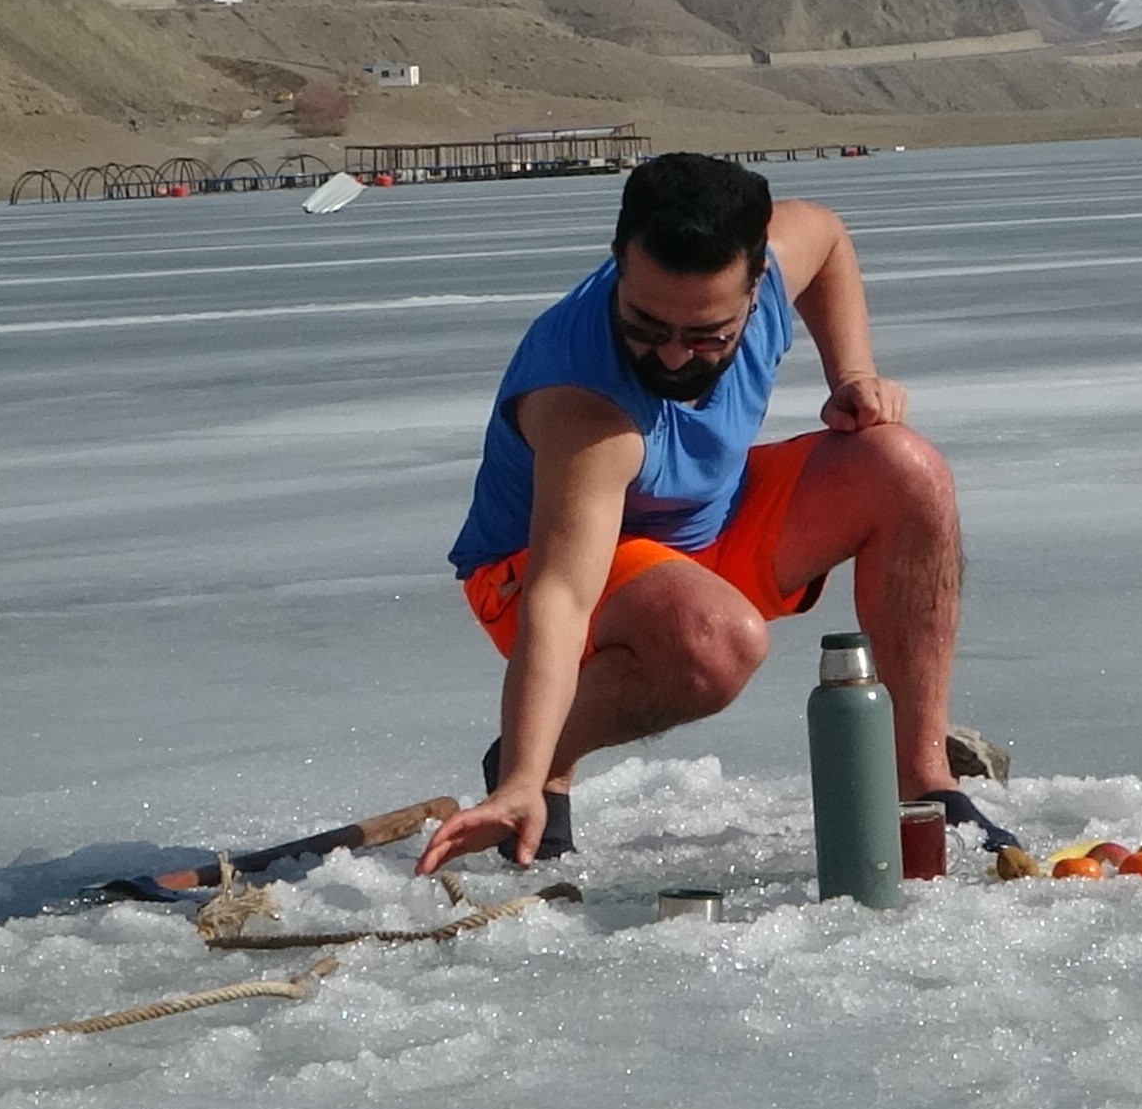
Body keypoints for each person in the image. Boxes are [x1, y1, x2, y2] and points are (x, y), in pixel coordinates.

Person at [416, 152, 1004, 873]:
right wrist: (520, 779)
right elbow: (561, 597)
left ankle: (923, 778)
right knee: (716, 642)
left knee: (906, 469)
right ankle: (539, 758)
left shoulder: (773, 262)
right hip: (539, 567)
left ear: (757, 284)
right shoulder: (586, 409)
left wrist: (852, 376)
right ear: (619, 264)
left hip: (707, 524)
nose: (669, 356)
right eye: (646, 324)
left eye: (706, 336)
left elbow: (824, 236)